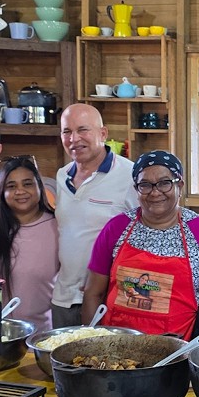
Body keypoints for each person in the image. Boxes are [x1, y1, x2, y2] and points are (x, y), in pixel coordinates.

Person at [82, 151, 199, 339]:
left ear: (179, 185)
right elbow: (94, 293)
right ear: (136, 189)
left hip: (180, 349)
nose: (155, 192)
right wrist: (91, 343)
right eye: (145, 185)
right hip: (117, 347)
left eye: (165, 183)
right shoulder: (116, 228)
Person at [52, 104, 138, 327]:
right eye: (66, 131)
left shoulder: (130, 175)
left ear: (103, 133)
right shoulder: (62, 176)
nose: (74, 138)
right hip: (63, 298)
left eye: (83, 130)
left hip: (107, 300)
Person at [0, 156, 59, 332]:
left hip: (41, 336)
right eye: (11, 186)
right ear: (2, 192)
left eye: (27, 184)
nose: (20, 191)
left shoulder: (58, 227)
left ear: (40, 186)